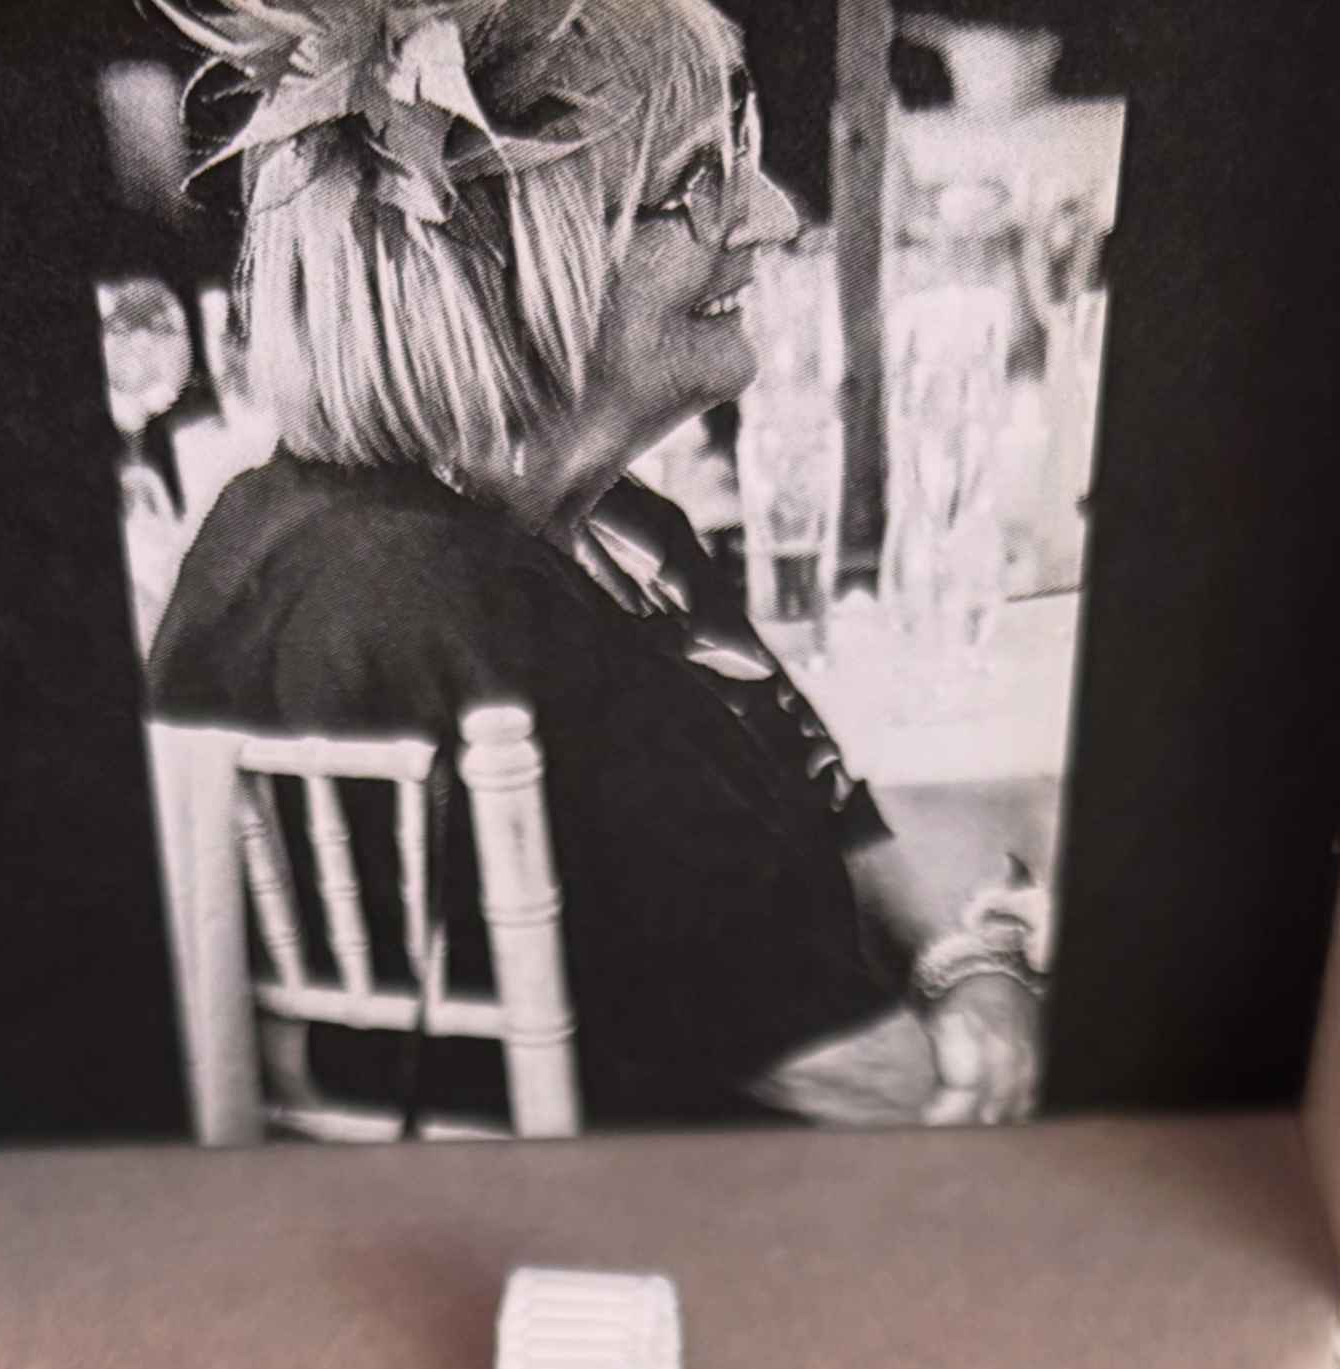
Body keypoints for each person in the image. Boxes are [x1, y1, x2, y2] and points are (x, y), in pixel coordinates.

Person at [149, 0, 1041, 1130]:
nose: (770, 217)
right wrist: (1001, 997)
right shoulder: (433, 604)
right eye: (698, 183)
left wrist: (970, 958)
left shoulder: (617, 532)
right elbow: (877, 1078)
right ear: (515, 254)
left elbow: (829, 797)